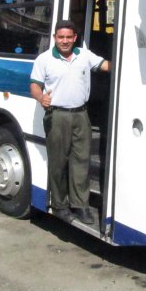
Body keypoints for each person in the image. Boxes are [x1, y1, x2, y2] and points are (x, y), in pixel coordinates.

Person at [29, 20, 110, 225]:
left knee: (81, 161)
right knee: (58, 163)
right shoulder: (44, 59)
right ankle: (60, 206)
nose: (64, 41)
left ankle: (80, 206)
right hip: (57, 116)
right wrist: (41, 98)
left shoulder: (84, 55)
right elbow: (34, 86)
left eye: (68, 37)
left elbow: (106, 66)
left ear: (75, 38)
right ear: (55, 37)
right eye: (60, 37)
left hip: (81, 115)